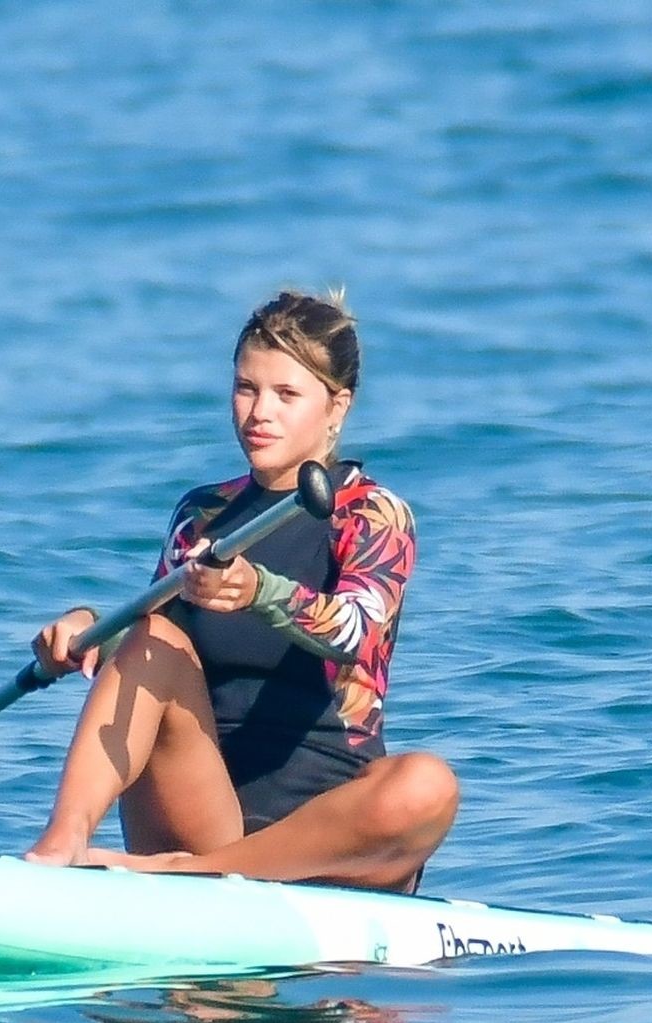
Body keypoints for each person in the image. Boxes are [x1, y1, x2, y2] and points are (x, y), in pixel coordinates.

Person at [23, 290, 458, 893]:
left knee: (428, 785)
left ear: (337, 406)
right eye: (246, 388)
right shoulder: (202, 514)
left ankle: (180, 873)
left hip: (330, 839)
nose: (259, 413)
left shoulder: (373, 514)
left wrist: (261, 591)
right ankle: (63, 844)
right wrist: (87, 631)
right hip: (206, 818)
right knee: (152, 637)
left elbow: (356, 632)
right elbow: (150, 646)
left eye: (286, 394)